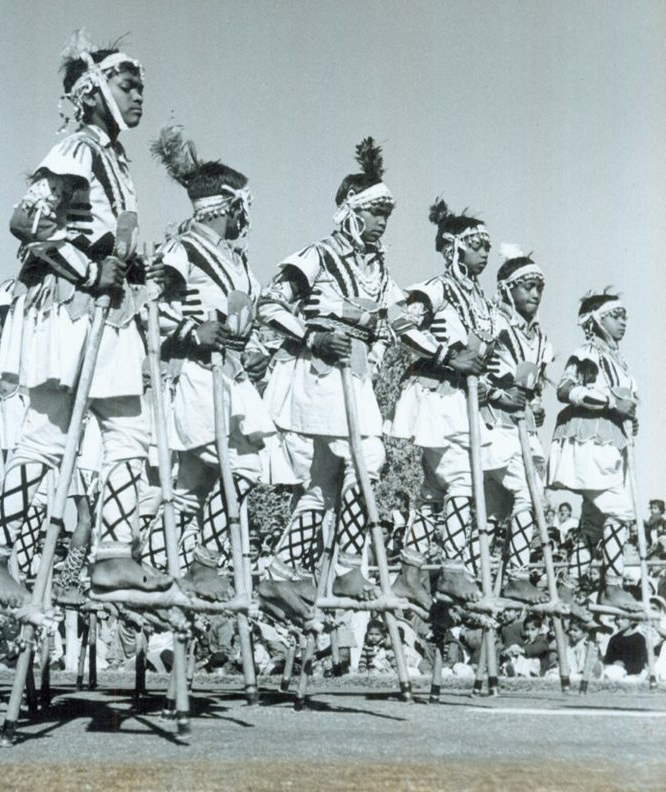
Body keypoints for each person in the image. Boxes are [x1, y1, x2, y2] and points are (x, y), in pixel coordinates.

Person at [0, 30, 170, 612]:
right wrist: (87, 268)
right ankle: (106, 554)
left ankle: (3, 559)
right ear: (94, 91)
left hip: (101, 310)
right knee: (111, 432)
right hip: (77, 312)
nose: (139, 98)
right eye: (128, 86)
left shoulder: (112, 156)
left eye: (141, 89)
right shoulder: (78, 147)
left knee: (57, 436)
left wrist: (127, 267)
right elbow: (26, 221)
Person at [256, 138, 401, 618]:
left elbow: (399, 318)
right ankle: (345, 565)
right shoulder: (318, 255)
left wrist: (378, 328)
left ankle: (280, 571)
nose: (382, 223)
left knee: (324, 484)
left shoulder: (378, 270)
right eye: (375, 212)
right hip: (319, 374)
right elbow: (271, 304)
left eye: (387, 214)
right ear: (352, 211)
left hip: (353, 376)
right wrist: (312, 337)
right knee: (369, 456)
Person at [148, 124, 267, 600]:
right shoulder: (181, 248)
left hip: (232, 373)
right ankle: (198, 561)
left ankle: (165, 561)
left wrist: (255, 349)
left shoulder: (238, 260)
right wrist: (192, 333)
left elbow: (249, 319)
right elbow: (151, 308)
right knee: (234, 466)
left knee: (201, 480)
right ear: (231, 205)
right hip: (196, 371)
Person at [388, 199, 498, 608]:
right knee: (462, 478)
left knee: (435, 488)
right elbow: (399, 320)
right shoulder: (439, 286)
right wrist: (445, 355)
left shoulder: (482, 301)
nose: (485, 251)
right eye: (476, 243)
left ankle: (410, 572)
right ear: (454, 247)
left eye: (487, 244)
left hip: (461, 397)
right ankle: (452, 567)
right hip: (436, 391)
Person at [547, 291, 639, 611]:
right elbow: (565, 389)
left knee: (594, 521)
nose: (623, 321)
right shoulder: (587, 352)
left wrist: (629, 419)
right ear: (597, 320)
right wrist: (613, 404)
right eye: (616, 315)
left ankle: (568, 588)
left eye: (625, 315)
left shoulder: (618, 362)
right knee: (619, 510)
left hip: (610, 442)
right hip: (588, 439)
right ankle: (612, 585)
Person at [479, 245, 554, 604]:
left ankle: (480, 573)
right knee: (530, 493)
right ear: (508, 288)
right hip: (491, 428)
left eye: (539, 288)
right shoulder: (491, 325)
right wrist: (496, 396)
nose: (535, 295)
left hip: (522, 432)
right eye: (528, 287)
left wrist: (536, 407)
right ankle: (516, 575)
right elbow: (466, 373)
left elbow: (535, 389)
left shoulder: (540, 340)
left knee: (495, 510)